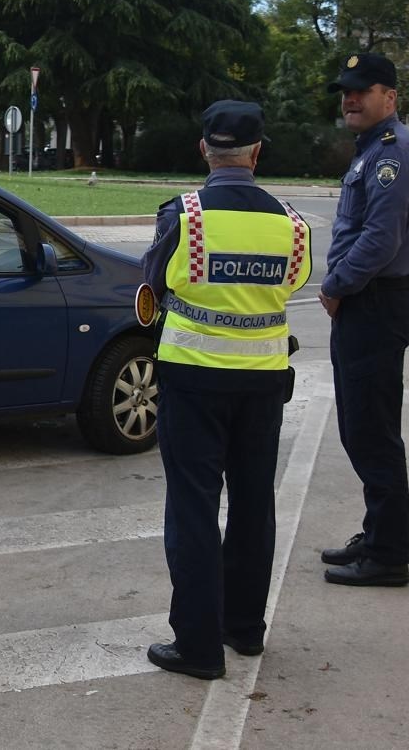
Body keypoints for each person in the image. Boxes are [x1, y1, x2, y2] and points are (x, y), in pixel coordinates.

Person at [140, 100, 313, 680]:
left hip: (191, 379)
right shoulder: (291, 224)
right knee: (253, 502)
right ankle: (244, 629)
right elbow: (295, 283)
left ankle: (197, 645)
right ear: (258, 152)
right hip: (263, 384)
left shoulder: (184, 216)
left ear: (203, 149)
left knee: (192, 507)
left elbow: (154, 279)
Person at [316, 52, 409, 587]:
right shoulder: (374, 150)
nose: (351, 99)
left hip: (374, 303)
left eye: (363, 90)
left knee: (373, 431)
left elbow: (380, 239)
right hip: (370, 302)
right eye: (346, 91)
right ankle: (378, 532)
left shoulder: (392, 154)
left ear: (391, 97)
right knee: (362, 426)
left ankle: (387, 556)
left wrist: (337, 287)